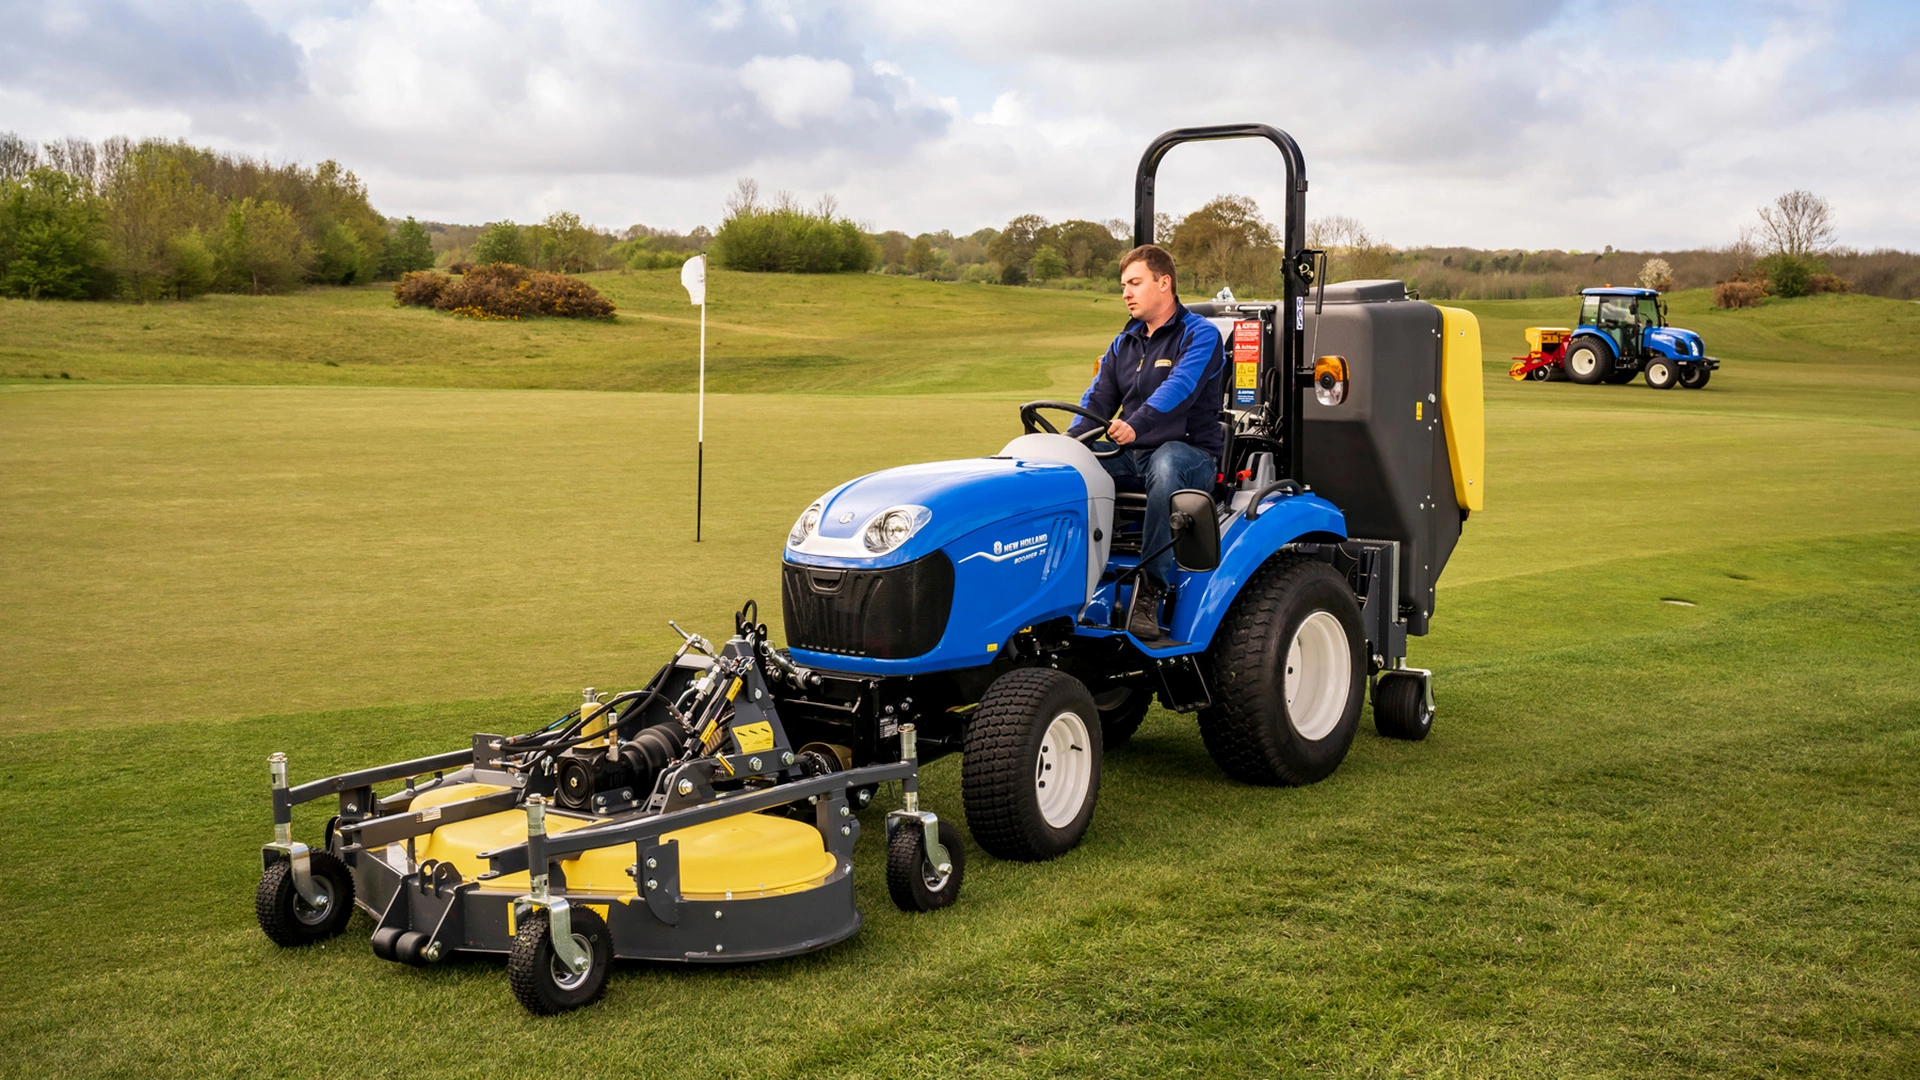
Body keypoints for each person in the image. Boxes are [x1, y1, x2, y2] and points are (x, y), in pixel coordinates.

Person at [1068, 244, 1227, 641]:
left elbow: (1181, 388)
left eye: (1135, 283)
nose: (1126, 292)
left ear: (1164, 283)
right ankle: (1070, 578)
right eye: (1123, 285)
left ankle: (1151, 591)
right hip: (1132, 455)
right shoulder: (1124, 343)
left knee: (1167, 464)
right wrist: (1070, 445)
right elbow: (1096, 399)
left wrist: (1135, 425)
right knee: (1072, 469)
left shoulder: (1200, 335)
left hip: (1191, 454)